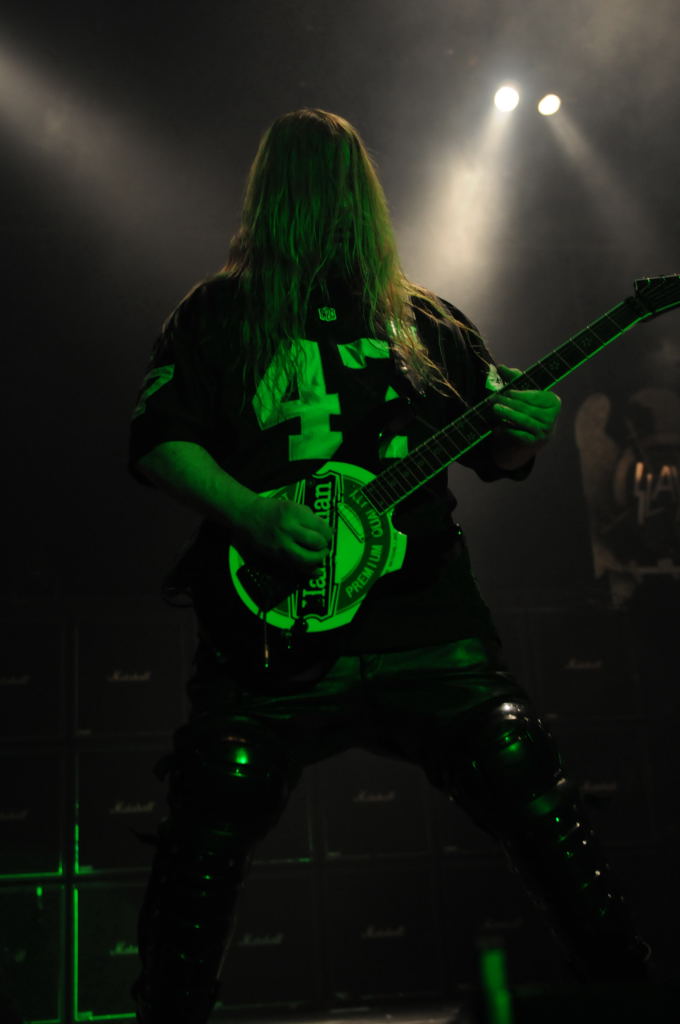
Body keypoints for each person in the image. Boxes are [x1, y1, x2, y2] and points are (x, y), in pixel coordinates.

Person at [127, 108, 650, 1024]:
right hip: (269, 624)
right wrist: (252, 512)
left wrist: (528, 431)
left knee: (516, 760)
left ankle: (628, 986)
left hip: (423, 620)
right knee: (218, 790)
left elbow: (501, 454)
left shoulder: (426, 321)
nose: (335, 201)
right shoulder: (219, 313)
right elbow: (157, 441)